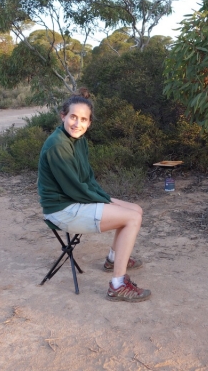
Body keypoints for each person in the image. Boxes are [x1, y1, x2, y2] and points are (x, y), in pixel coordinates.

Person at [37, 89, 151, 302]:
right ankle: (117, 285)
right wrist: (106, 201)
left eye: (83, 119)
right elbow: (74, 188)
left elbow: (87, 179)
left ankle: (113, 259)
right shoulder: (57, 146)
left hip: (76, 200)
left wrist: (105, 198)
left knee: (136, 209)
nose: (77, 124)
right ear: (63, 116)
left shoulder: (78, 141)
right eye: (73, 117)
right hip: (62, 209)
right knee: (131, 218)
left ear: (89, 123)